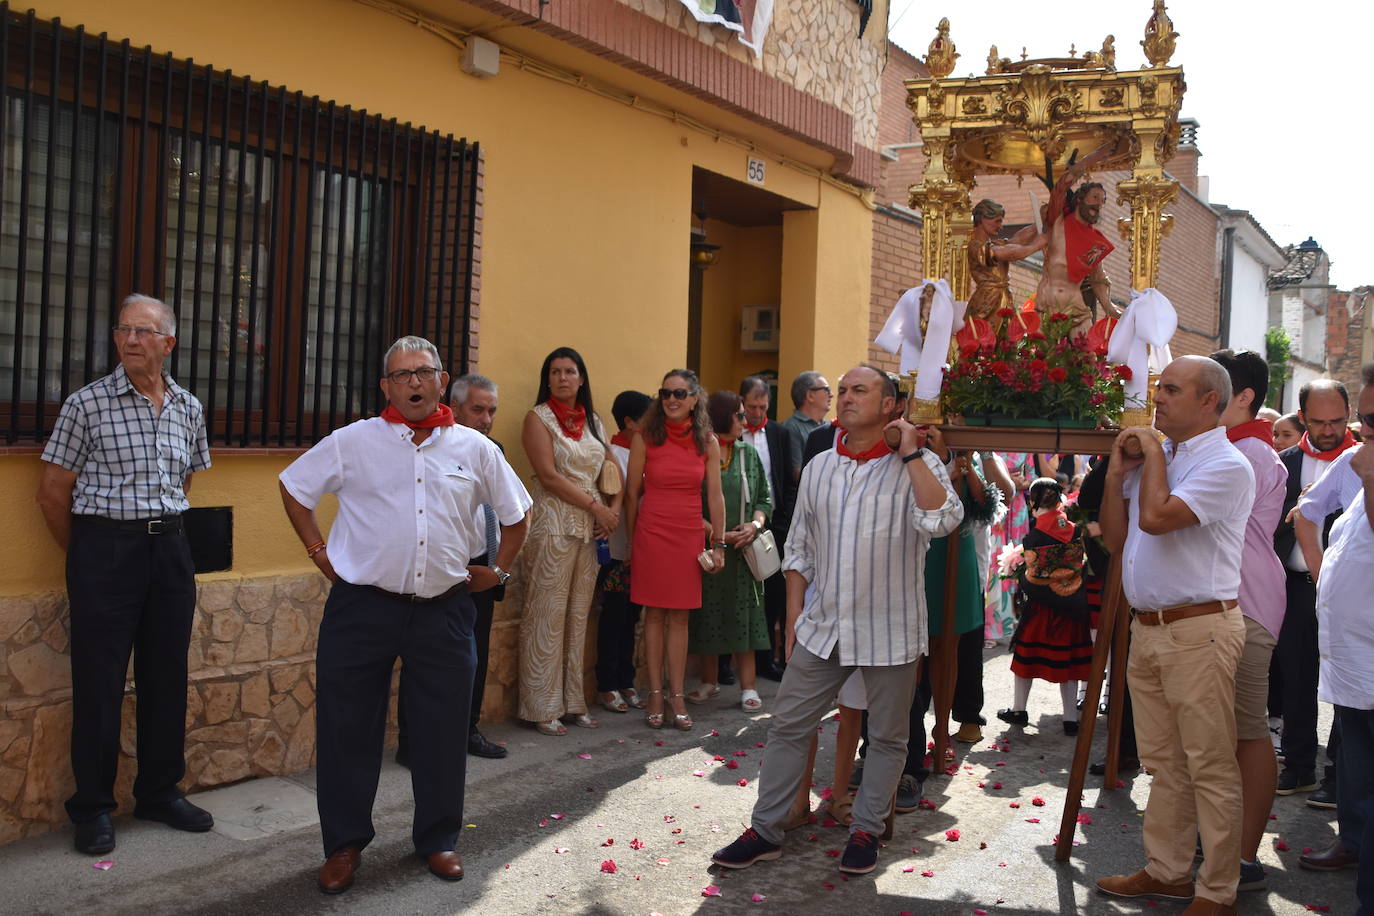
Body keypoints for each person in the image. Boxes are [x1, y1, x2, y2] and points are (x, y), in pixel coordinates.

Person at [278, 335, 532, 893]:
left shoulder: (475, 448)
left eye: (424, 372)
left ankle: (438, 840)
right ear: (386, 387)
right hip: (361, 609)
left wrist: (500, 571)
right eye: (401, 375)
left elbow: (517, 515)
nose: (414, 382)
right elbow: (294, 488)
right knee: (348, 729)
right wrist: (321, 554)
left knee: (442, 731)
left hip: (444, 610)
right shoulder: (352, 442)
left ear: (442, 380)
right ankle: (344, 844)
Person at [712, 364, 963, 877]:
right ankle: (765, 830)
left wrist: (913, 450)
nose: (845, 398)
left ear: (890, 405)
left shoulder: (916, 463)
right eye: (842, 390)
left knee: (889, 737)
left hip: (890, 627)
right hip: (822, 624)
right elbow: (799, 544)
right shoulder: (822, 464)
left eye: (860, 390)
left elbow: (943, 520)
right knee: (788, 725)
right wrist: (793, 611)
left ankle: (866, 830)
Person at [36, 293, 214, 856]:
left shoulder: (189, 407)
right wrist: (90, 552)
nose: (131, 340)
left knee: (167, 676)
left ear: (169, 343)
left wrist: (157, 535)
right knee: (99, 682)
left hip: (170, 553)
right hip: (104, 552)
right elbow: (52, 492)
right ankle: (92, 807)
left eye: (143, 332)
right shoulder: (86, 405)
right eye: (123, 331)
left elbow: (185, 482)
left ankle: (160, 792)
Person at [1096, 355, 1255, 915]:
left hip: (1200, 630)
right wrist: (1117, 475)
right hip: (1150, 629)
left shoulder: (1227, 464)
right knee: (1163, 762)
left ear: (1210, 401)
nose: (1156, 398)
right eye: (1159, 387)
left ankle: (1217, 890)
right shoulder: (1163, 457)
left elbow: (1158, 518)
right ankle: (1167, 871)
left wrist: (1153, 455)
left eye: (1171, 389)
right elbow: (1117, 540)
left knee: (1209, 764)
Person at [396, 373, 510, 763]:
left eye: (492, 410)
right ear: (455, 407)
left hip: (480, 564)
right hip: (438, 563)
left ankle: (467, 730)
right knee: (421, 656)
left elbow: (510, 512)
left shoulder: (492, 450)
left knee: (474, 652)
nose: (487, 418)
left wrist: (497, 569)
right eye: (478, 409)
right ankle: (412, 742)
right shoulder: (427, 448)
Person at [1211, 348, 1290, 892]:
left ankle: (1243, 855)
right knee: (1216, 735)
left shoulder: (1252, 456)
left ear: (1243, 398)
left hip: (1246, 607)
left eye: (1213, 390)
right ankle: (1219, 845)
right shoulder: (1230, 448)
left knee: (1246, 731)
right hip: (1224, 604)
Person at [1299, 365, 1374, 902]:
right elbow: (1306, 515)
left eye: (1361, 422)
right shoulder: (1355, 463)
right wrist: (1324, 574)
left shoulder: (1363, 465)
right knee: (1352, 756)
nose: (1350, 435)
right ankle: (1353, 841)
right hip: (1351, 658)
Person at [518, 347, 622, 736]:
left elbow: (613, 468)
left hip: (590, 529)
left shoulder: (594, 420)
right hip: (552, 525)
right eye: (556, 371)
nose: (563, 377)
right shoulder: (538, 419)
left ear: (581, 379)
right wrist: (599, 507)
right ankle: (541, 706)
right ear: (547, 379)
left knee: (578, 616)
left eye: (570, 371)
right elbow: (547, 475)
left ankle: (573, 701)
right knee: (546, 615)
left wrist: (612, 512)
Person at [625, 369, 726, 731]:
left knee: (680, 617)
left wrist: (719, 544)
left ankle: (678, 695)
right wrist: (633, 538)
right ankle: (655, 693)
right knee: (653, 615)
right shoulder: (644, 437)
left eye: (680, 393)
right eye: (666, 393)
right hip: (651, 531)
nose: (672, 399)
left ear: (695, 399)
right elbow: (632, 494)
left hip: (687, 533)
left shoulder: (708, 442)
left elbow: (715, 496)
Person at [1273, 379, 1355, 795]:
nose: (1329, 430)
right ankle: (1299, 765)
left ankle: (1339, 776)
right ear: (1302, 417)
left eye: (1337, 421)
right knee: (1295, 677)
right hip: (1293, 586)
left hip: (1347, 592)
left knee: (1348, 680)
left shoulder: (1363, 462)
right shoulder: (1282, 462)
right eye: (1319, 422)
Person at [686, 391, 773, 710]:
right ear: (722, 417)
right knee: (708, 615)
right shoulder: (698, 453)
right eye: (738, 415)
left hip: (744, 551)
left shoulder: (748, 454)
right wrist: (716, 533)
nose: (744, 420)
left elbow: (764, 498)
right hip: (709, 549)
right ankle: (709, 683)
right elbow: (690, 499)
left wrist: (754, 525)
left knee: (746, 617)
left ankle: (748, 687)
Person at [997, 478, 1092, 735]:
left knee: (1025, 659)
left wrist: (1022, 577)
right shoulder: (1074, 530)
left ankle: (1019, 709)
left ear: (1033, 501)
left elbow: (1032, 579)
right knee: (1070, 663)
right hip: (1072, 607)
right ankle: (1070, 719)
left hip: (1041, 610)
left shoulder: (1033, 537)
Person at [596, 390, 652, 715]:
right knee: (614, 618)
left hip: (642, 549)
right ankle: (607, 683)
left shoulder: (647, 451)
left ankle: (626, 678)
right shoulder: (614, 452)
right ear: (630, 422)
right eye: (647, 419)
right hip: (618, 551)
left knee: (632, 618)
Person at [739, 375, 796, 682]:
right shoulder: (733, 432)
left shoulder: (779, 432)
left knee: (773, 594)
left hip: (772, 526)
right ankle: (727, 663)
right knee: (738, 592)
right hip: (738, 523)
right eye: (751, 407)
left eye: (762, 407)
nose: (757, 413)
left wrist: (782, 521)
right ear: (741, 403)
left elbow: (786, 480)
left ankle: (766, 660)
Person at [1037, 147, 1121, 329]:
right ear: (1080, 199)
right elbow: (1060, 187)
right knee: (1048, 355)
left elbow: (1097, 277)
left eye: (1103, 201)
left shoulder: (1096, 241)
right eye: (1095, 197)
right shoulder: (1058, 222)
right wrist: (1092, 158)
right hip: (1050, 305)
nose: (1099, 204)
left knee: (1087, 355)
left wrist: (1108, 306)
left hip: (1077, 306)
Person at [965, 198, 1048, 325]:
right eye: (997, 221)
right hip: (987, 304)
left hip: (1003, 302)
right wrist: (1035, 246)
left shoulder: (993, 244)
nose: (1000, 226)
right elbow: (1009, 253)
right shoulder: (976, 247)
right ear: (982, 218)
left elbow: (1016, 241)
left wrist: (1039, 222)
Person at [985, 451, 1035, 645]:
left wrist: (1020, 483)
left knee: (1017, 562)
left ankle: (1011, 616)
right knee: (992, 563)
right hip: (994, 503)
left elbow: (1032, 478)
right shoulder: (989, 445)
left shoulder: (1025, 448)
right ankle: (990, 624)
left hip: (1016, 507)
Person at [781, 370, 832, 480]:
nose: (831, 395)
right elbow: (797, 473)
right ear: (810, 395)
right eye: (827, 390)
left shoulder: (830, 425)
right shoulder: (791, 427)